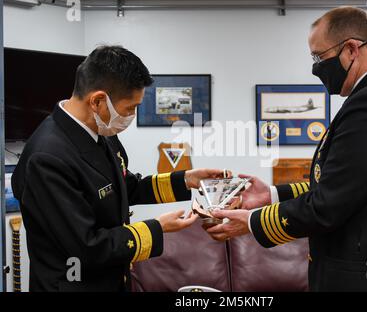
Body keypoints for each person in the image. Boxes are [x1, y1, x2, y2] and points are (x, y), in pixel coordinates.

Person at [206, 7, 367, 291]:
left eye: (319, 57)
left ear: (350, 50)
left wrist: (251, 222)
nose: (315, 67)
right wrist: (270, 195)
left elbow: (327, 206)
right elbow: (336, 184)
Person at [12, 45, 225, 291]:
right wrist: (157, 228)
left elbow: (124, 186)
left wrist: (186, 179)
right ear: (98, 101)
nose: (131, 116)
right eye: (130, 108)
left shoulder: (102, 130)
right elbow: (86, 245)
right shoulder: (47, 158)